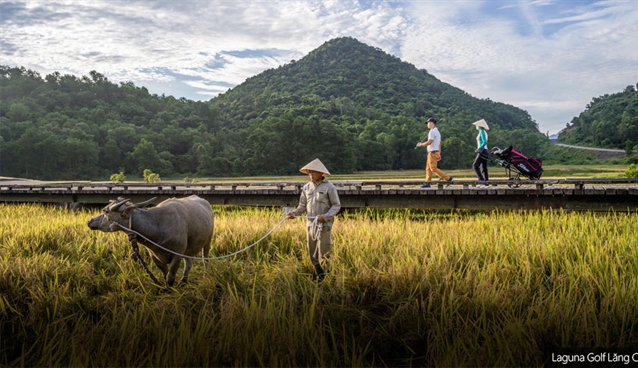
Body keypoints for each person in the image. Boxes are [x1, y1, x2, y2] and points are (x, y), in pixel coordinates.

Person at [287, 158, 341, 281]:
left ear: (321, 174)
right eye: (309, 172)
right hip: (310, 224)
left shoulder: (329, 187)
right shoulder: (306, 187)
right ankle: (318, 273)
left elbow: (336, 206)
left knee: (324, 251)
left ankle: (327, 276)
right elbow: (302, 206)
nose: (311, 175)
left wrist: (325, 217)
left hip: (324, 225)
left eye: (314, 172)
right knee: (312, 251)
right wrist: (294, 213)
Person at [416, 117, 453, 188]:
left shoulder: (432, 132)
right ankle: (427, 182)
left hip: (432, 152)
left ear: (432, 123)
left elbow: (430, 142)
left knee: (433, 168)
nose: (427, 124)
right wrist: (439, 153)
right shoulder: (436, 131)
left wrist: (421, 144)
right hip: (434, 152)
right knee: (428, 169)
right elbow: (439, 143)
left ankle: (448, 179)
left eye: (428, 123)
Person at [472, 119, 490, 187]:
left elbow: (484, 142)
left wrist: (478, 149)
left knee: (475, 166)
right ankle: (486, 183)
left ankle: (481, 181)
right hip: (485, 150)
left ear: (479, 126)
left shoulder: (482, 131)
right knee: (484, 167)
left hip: (482, 150)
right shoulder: (483, 131)